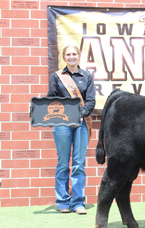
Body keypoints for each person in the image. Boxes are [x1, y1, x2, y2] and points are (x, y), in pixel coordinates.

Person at [47, 42, 95, 214]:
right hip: (61, 124)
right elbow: (51, 99)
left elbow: (90, 100)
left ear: (78, 56)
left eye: (74, 54)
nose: (72, 57)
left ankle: (78, 202)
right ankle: (62, 202)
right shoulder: (57, 77)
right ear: (64, 57)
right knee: (62, 162)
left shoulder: (87, 76)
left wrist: (82, 113)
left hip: (81, 123)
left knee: (79, 163)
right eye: (68, 55)